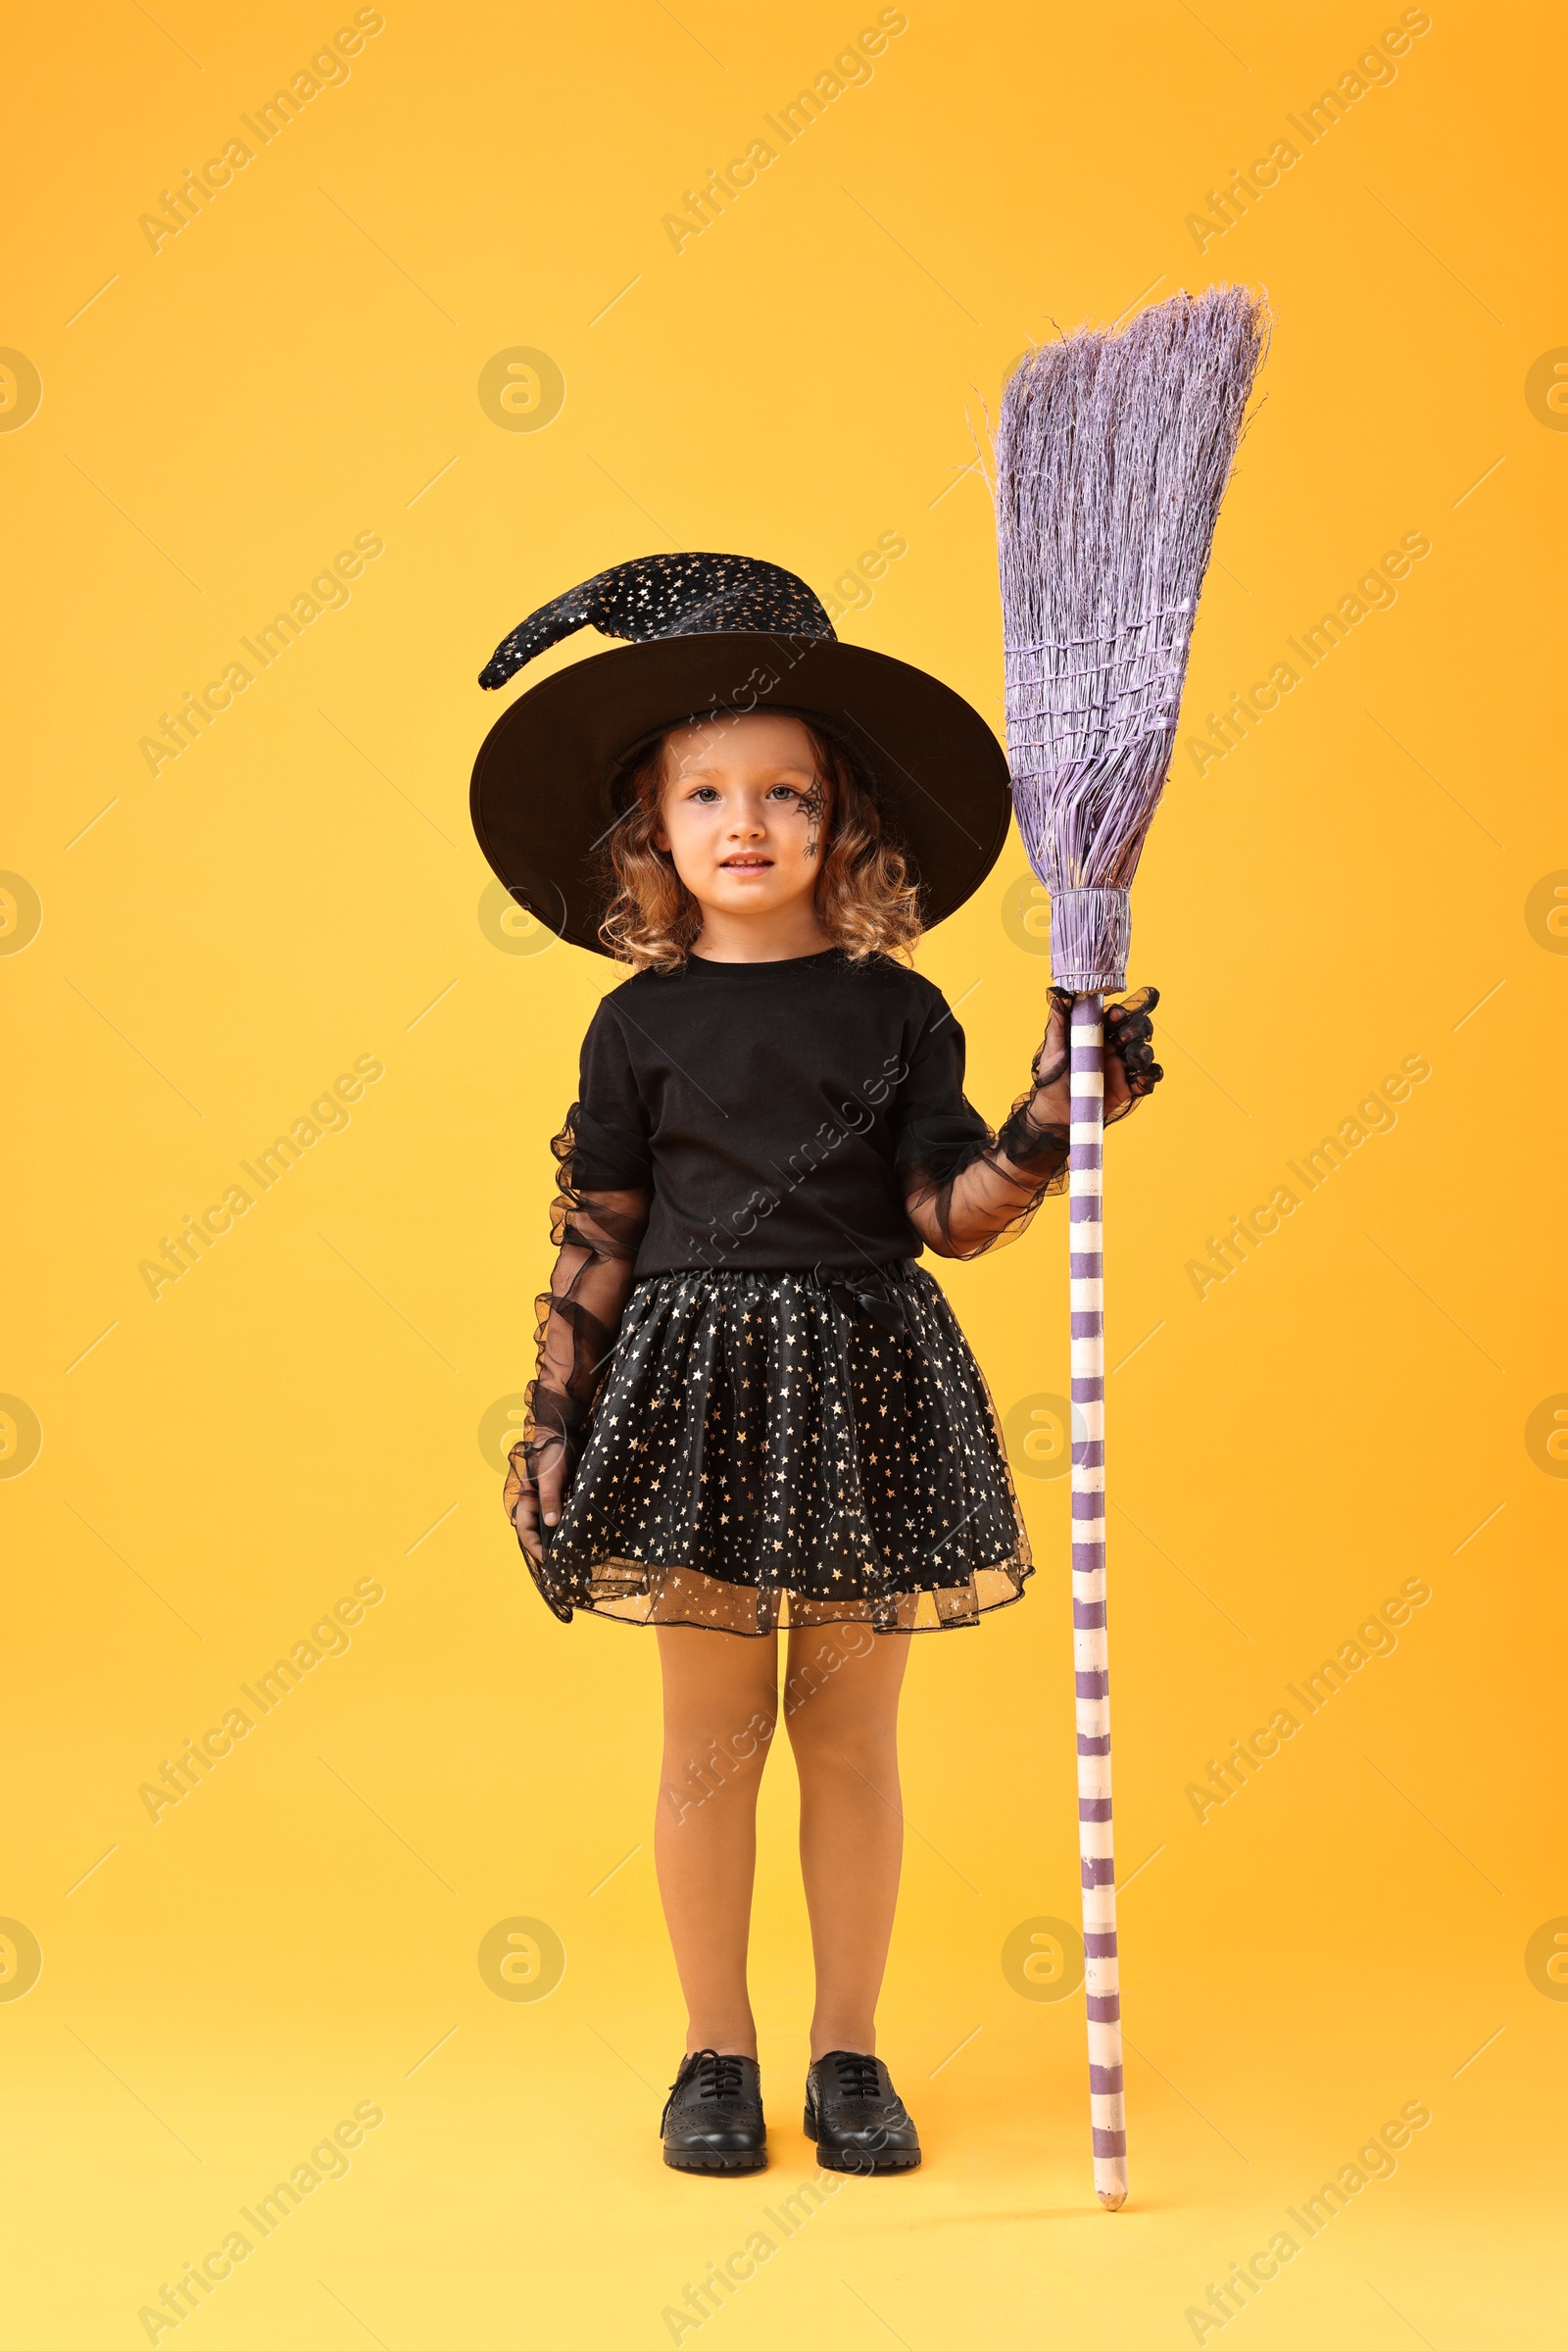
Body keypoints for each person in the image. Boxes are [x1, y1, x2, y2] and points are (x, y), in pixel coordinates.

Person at [472, 553, 1160, 2176]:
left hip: (864, 1391)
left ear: (841, 822)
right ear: (651, 830)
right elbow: (599, 1233)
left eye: (786, 791)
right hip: (693, 1393)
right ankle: (716, 2053)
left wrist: (1060, 1121)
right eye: (705, 791)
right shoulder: (635, 1028)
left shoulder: (900, 1014)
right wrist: (552, 1418)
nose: (747, 821)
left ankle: (851, 2053)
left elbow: (948, 1212)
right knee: (709, 1734)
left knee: (848, 1736)